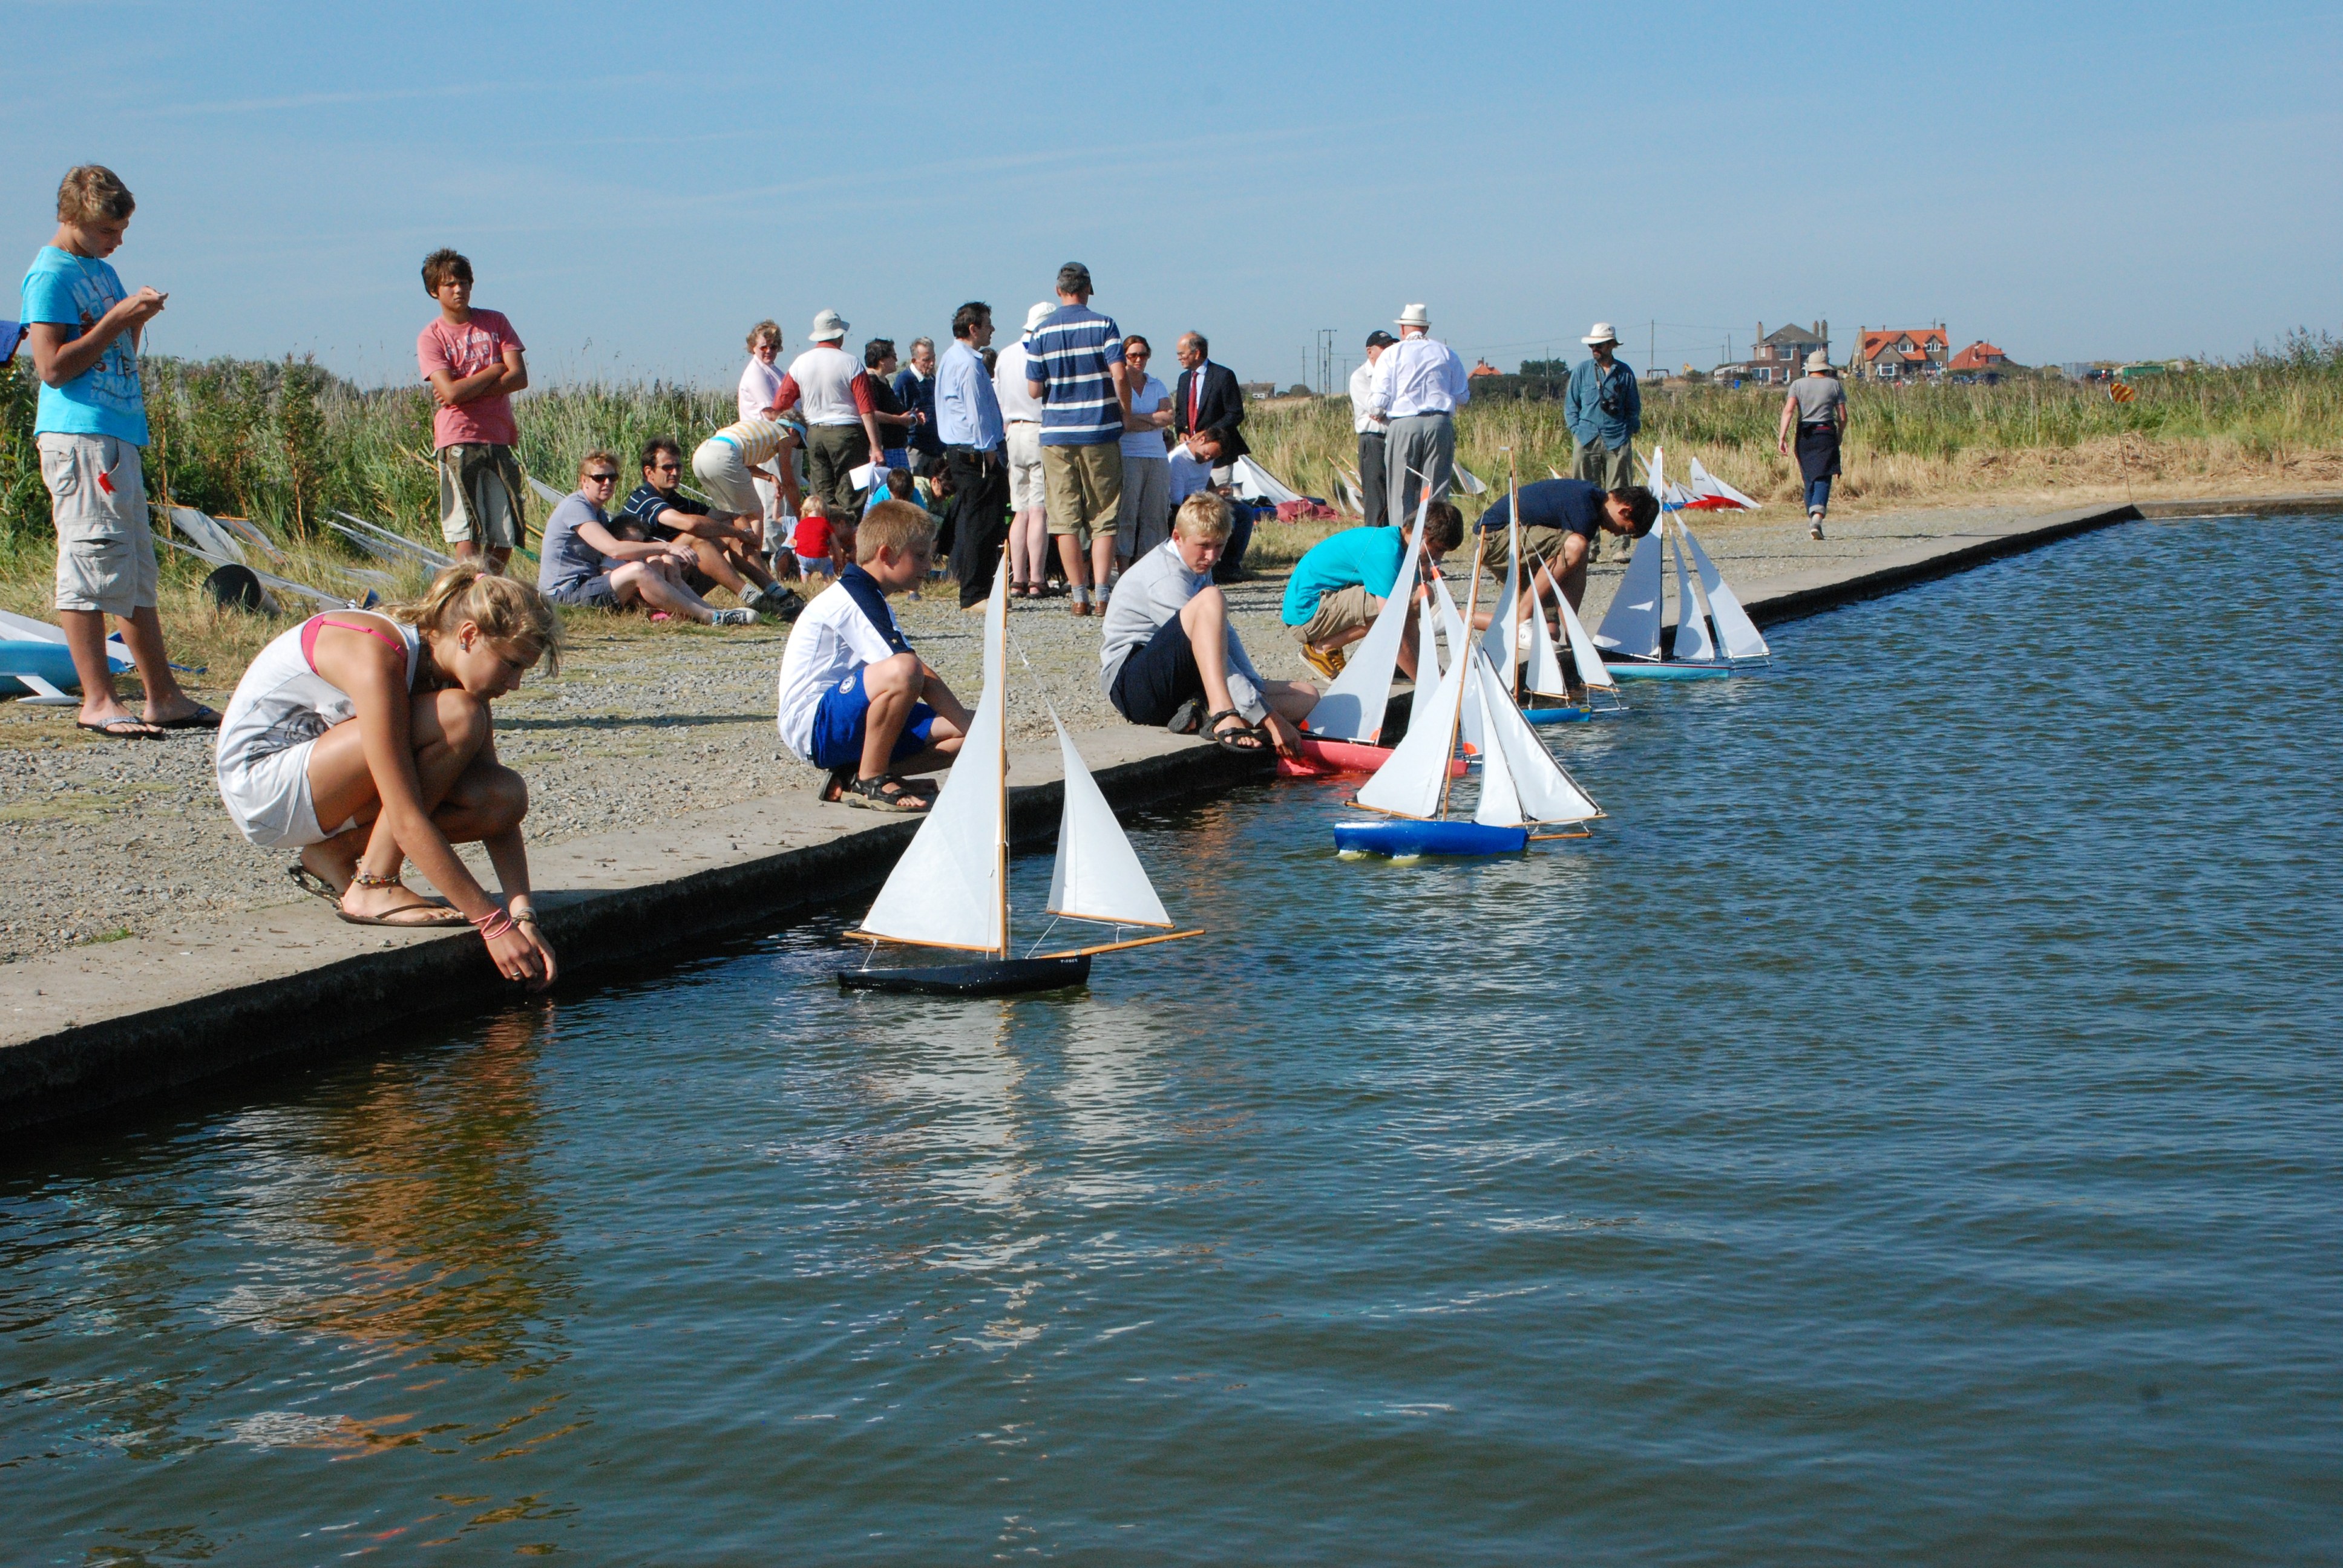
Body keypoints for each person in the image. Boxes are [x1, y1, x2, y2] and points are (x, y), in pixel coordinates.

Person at [213, 564, 562, 989]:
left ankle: (334, 855)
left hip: (318, 779)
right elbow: (406, 815)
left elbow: (498, 812)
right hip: (263, 786)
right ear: (468, 636)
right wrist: (490, 924)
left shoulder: (455, 676)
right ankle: (373, 886)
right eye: (511, 666)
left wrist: (522, 915)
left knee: (502, 796)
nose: (516, 683)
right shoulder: (376, 654)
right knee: (458, 717)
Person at [19, 163, 214, 739]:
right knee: (88, 562)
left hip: (118, 433)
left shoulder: (100, 269)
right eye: (109, 230)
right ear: (72, 218)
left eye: (122, 230)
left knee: (132, 570)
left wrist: (133, 321)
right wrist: (114, 318)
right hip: (78, 437)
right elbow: (52, 367)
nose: (118, 241)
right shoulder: (49, 273)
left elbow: (111, 351)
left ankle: (163, 697)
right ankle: (98, 700)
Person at [775, 501, 973, 812]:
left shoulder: (872, 596)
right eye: (920, 555)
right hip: (814, 726)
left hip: (851, 718)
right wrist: (980, 738)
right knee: (907, 670)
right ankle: (872, 779)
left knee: (975, 727)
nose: (929, 564)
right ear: (886, 555)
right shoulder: (853, 596)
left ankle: (854, 775)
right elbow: (914, 673)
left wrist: (976, 731)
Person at [1101, 492, 1316, 757]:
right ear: (1177, 537)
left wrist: (1254, 689)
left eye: (1220, 546)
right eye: (1203, 546)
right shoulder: (1166, 579)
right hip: (1135, 687)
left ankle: (1201, 714)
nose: (1212, 556)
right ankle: (1223, 714)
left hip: (1180, 678)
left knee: (1307, 696)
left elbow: (1223, 637)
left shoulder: (1197, 563)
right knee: (1211, 599)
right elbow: (1213, 653)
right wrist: (1268, 718)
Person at [538, 451, 758, 625]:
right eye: (599, 478)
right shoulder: (576, 507)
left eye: (612, 477)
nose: (607, 483)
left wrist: (662, 554)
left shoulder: (599, 513)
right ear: (583, 480)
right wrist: (665, 548)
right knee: (639, 571)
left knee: (659, 562)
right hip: (565, 593)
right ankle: (708, 617)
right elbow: (614, 550)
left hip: (589, 583)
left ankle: (713, 611)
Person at [1026, 263, 1129, 617]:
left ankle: (1078, 596)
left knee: (1064, 516)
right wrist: (1125, 413)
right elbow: (1120, 374)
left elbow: (1034, 388)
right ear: (1088, 290)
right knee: (1103, 512)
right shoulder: (1104, 325)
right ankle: (1103, 594)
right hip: (1099, 427)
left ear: (1059, 292)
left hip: (1056, 433)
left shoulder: (1041, 331)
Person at [416, 248, 527, 573]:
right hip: (458, 436)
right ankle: (469, 593)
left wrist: (466, 389)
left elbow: (519, 377)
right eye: (449, 284)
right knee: (467, 526)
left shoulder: (494, 322)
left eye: (463, 282)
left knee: (506, 527)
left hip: (499, 434)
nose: (458, 289)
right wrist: (494, 370)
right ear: (435, 290)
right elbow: (449, 393)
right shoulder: (431, 337)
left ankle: (488, 588)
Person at [1282, 500, 1465, 683]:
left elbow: (1408, 623)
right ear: (1424, 535)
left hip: (1321, 606)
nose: (1439, 557)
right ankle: (1321, 649)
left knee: (1418, 596)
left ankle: (1407, 666)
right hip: (1307, 616)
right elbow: (1391, 629)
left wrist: (1432, 670)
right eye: (1439, 550)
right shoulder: (1387, 553)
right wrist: (1431, 684)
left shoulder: (1397, 544)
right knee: (1406, 603)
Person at [625, 438, 796, 616]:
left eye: (678, 467)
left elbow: (730, 516)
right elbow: (691, 524)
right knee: (697, 538)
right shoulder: (644, 498)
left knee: (727, 534)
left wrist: (745, 534)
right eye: (667, 467)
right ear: (649, 472)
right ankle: (755, 599)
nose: (675, 472)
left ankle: (778, 594)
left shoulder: (675, 499)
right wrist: (738, 533)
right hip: (649, 581)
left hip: (675, 575)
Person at [1477, 477, 1660, 618]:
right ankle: (1523, 612)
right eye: (1623, 529)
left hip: (1520, 545)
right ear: (1625, 511)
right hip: (1493, 537)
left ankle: (1455, 617)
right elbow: (1574, 575)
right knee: (1577, 546)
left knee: (1549, 633)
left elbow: (1571, 571)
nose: (1617, 535)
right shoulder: (1585, 506)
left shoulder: (1592, 502)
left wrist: (1570, 629)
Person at [769, 310, 888, 517]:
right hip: (848, 434)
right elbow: (866, 409)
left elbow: (780, 403)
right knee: (850, 495)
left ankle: (824, 541)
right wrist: (876, 447)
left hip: (815, 433)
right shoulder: (851, 363)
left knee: (822, 496)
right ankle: (847, 542)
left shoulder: (800, 363)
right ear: (839, 336)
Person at [690, 410, 807, 616]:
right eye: (799, 442)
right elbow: (789, 480)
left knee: (729, 515)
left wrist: (769, 476)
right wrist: (799, 513)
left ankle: (713, 551)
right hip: (724, 456)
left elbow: (738, 457)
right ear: (792, 431)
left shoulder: (760, 427)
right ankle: (756, 565)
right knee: (755, 513)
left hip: (702, 455)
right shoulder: (784, 436)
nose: (796, 446)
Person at [936, 301, 1011, 609]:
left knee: (972, 520)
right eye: (988, 323)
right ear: (973, 328)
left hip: (961, 450)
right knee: (981, 522)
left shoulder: (950, 359)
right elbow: (977, 411)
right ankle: (975, 592)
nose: (992, 329)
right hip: (975, 453)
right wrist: (989, 451)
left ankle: (975, 588)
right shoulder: (968, 364)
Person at [1369, 303, 1470, 524]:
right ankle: (1432, 543)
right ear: (1425, 329)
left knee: (1400, 489)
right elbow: (1463, 396)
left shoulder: (1392, 354)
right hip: (1439, 422)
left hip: (1404, 422)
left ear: (1403, 329)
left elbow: (1379, 400)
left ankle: (1403, 544)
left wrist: (1377, 412)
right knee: (1436, 489)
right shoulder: (1446, 352)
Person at [993, 302, 1052, 598]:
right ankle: (1037, 578)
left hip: (1012, 430)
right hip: (1040, 429)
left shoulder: (1005, 354)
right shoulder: (1044, 351)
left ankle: (1018, 577)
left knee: (1020, 510)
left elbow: (998, 394)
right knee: (1039, 509)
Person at [737, 320, 801, 557]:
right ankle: (769, 553)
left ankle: (788, 552)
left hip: (783, 442)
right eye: (764, 346)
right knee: (772, 499)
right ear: (753, 346)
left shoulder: (775, 371)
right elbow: (771, 413)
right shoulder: (756, 374)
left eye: (774, 346)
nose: (769, 351)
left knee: (787, 498)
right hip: (766, 445)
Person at [1114, 334, 1175, 569]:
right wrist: (1152, 420)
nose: (1139, 360)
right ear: (1124, 358)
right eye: (1133, 355)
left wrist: (1136, 418)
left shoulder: (1156, 384)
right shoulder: (1117, 384)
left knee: (1155, 515)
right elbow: (1122, 423)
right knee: (1127, 514)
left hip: (1157, 456)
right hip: (1128, 454)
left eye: (1143, 354)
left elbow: (1168, 416)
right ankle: (1124, 568)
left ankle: (1150, 567)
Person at [1565, 323, 1641, 495]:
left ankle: (1613, 523)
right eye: (1592, 345)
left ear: (1611, 345)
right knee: (1583, 493)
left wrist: (1627, 431)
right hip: (1586, 438)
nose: (1594, 349)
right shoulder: (1582, 370)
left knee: (1620, 494)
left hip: (1617, 439)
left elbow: (1633, 407)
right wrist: (1576, 430)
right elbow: (1571, 405)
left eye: (1598, 345)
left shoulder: (1625, 372)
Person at [1778, 350, 1846, 540]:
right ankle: (1818, 516)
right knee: (1824, 476)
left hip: (1805, 434)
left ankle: (1812, 516)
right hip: (1826, 433)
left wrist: (1782, 438)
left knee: (1809, 477)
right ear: (1826, 367)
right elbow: (1843, 417)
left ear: (1809, 368)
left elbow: (1789, 411)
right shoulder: (1835, 385)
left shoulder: (1797, 385)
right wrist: (1839, 435)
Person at [1170, 332, 1251, 469]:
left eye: (1182, 354)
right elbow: (1180, 414)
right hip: (1190, 456)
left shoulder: (1223, 376)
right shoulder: (1183, 379)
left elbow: (1235, 414)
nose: (1179, 358)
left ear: (1197, 353)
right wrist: (1181, 433)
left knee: (1218, 491)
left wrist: (1208, 432)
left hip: (1218, 458)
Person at [1349, 330, 1395, 526]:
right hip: (1373, 440)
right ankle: (1374, 544)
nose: (1389, 351)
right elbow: (1375, 408)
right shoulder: (1360, 377)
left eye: (1391, 347)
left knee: (1395, 496)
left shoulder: (1395, 375)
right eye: (1384, 347)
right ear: (1370, 352)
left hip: (1393, 437)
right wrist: (1388, 406)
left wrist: (1387, 409)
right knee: (1376, 498)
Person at [863, 338, 920, 469]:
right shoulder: (872, 383)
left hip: (895, 448)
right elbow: (871, 414)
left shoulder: (883, 381)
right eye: (893, 356)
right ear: (882, 360)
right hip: (885, 451)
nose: (896, 360)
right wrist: (900, 420)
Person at [893, 336, 943, 474]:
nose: (932, 363)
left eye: (933, 358)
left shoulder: (933, 379)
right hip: (915, 449)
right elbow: (898, 415)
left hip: (936, 448)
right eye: (926, 360)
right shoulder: (904, 381)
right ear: (914, 361)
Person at [793, 493, 841, 579]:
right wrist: (839, 560)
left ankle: (805, 585)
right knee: (828, 567)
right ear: (823, 511)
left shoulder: (800, 524)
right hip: (820, 557)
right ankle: (827, 584)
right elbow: (835, 544)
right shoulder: (825, 523)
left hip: (802, 558)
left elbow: (796, 543)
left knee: (804, 569)